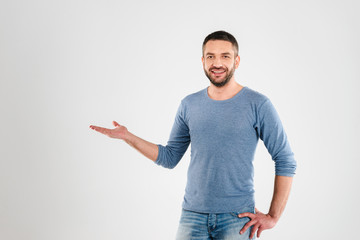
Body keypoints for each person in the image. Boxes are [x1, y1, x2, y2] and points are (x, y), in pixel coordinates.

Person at [89, 30, 296, 239]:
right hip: (192, 217)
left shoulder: (258, 104)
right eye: (210, 56)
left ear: (237, 61)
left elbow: (285, 159)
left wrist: (273, 216)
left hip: (237, 219)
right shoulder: (189, 104)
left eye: (225, 56)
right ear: (203, 61)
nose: (217, 63)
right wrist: (128, 137)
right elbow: (169, 157)